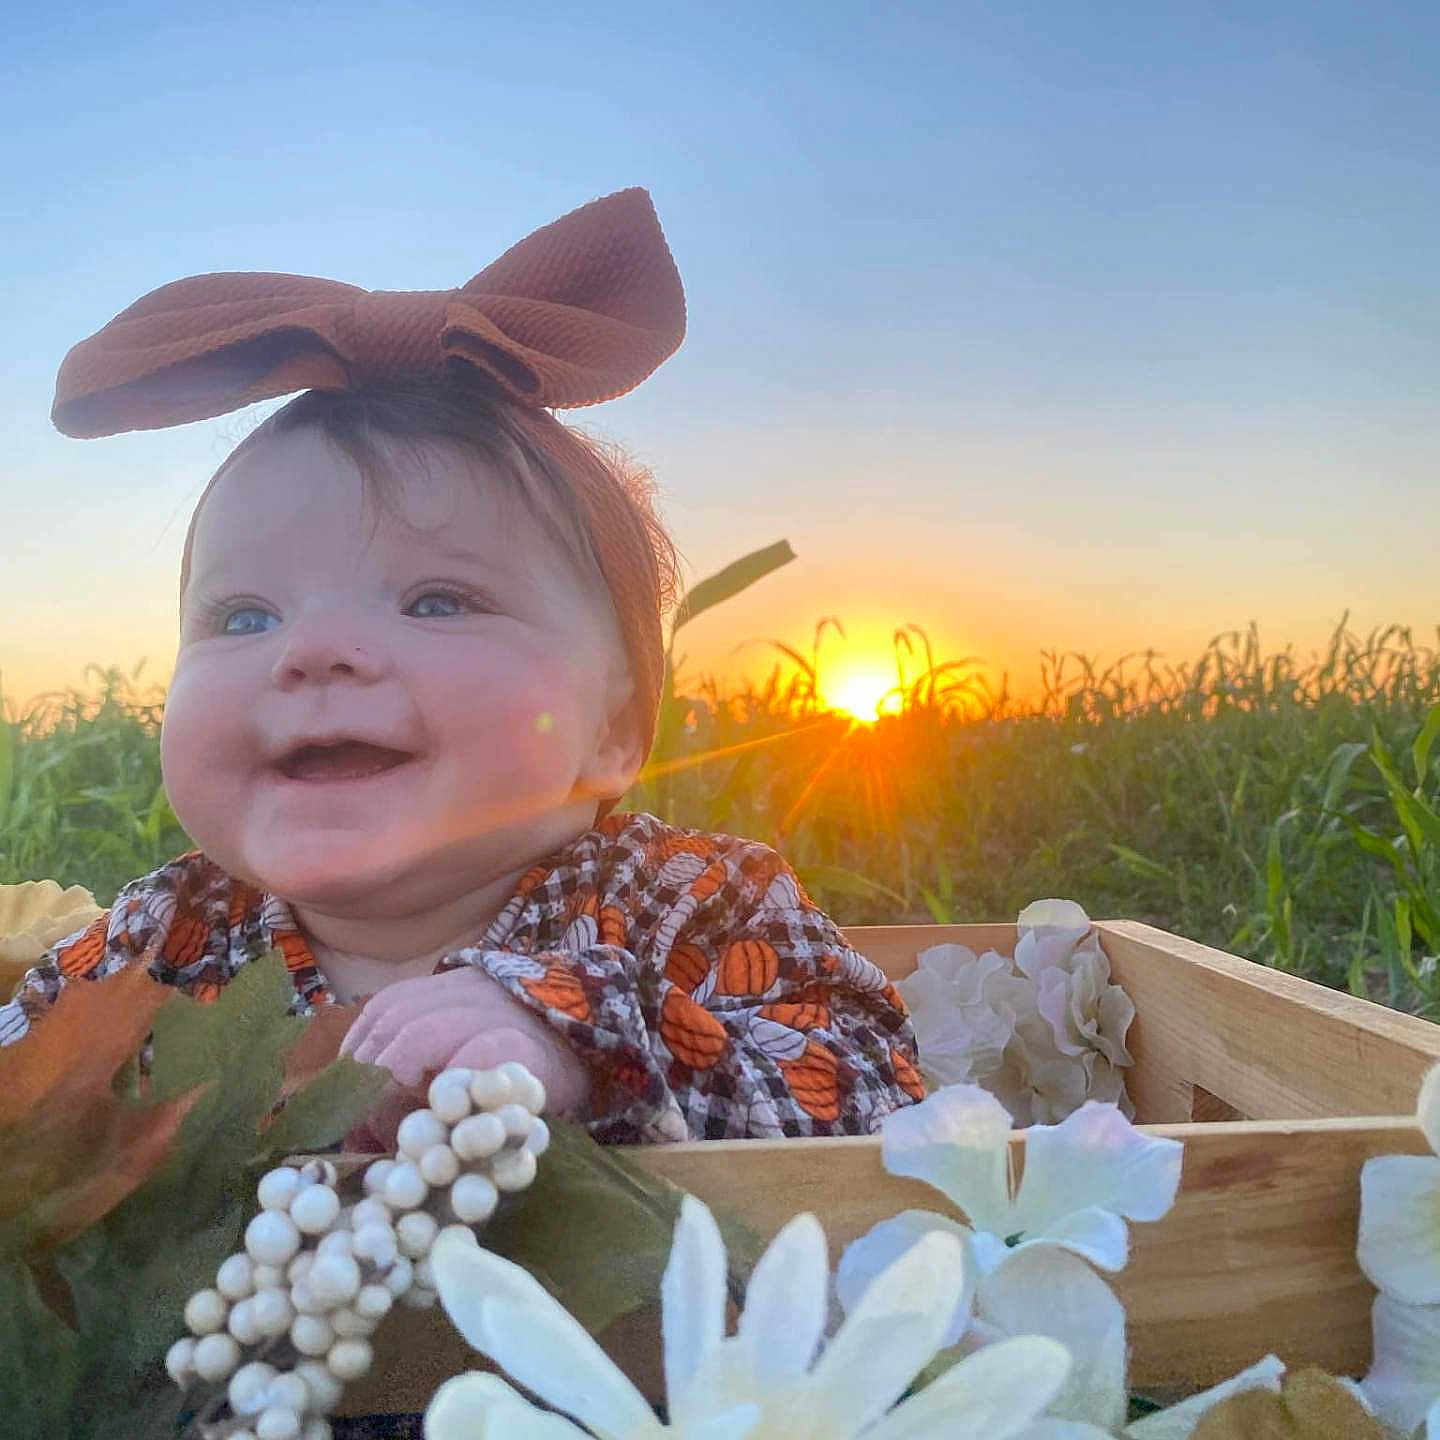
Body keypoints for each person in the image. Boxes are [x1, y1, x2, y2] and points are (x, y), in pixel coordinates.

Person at [1, 188, 924, 1144]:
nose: (312, 651)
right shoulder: (164, 941)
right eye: (243, 617)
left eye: (435, 603)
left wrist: (584, 1042)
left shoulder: (687, 903)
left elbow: (880, 1086)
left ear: (611, 730)